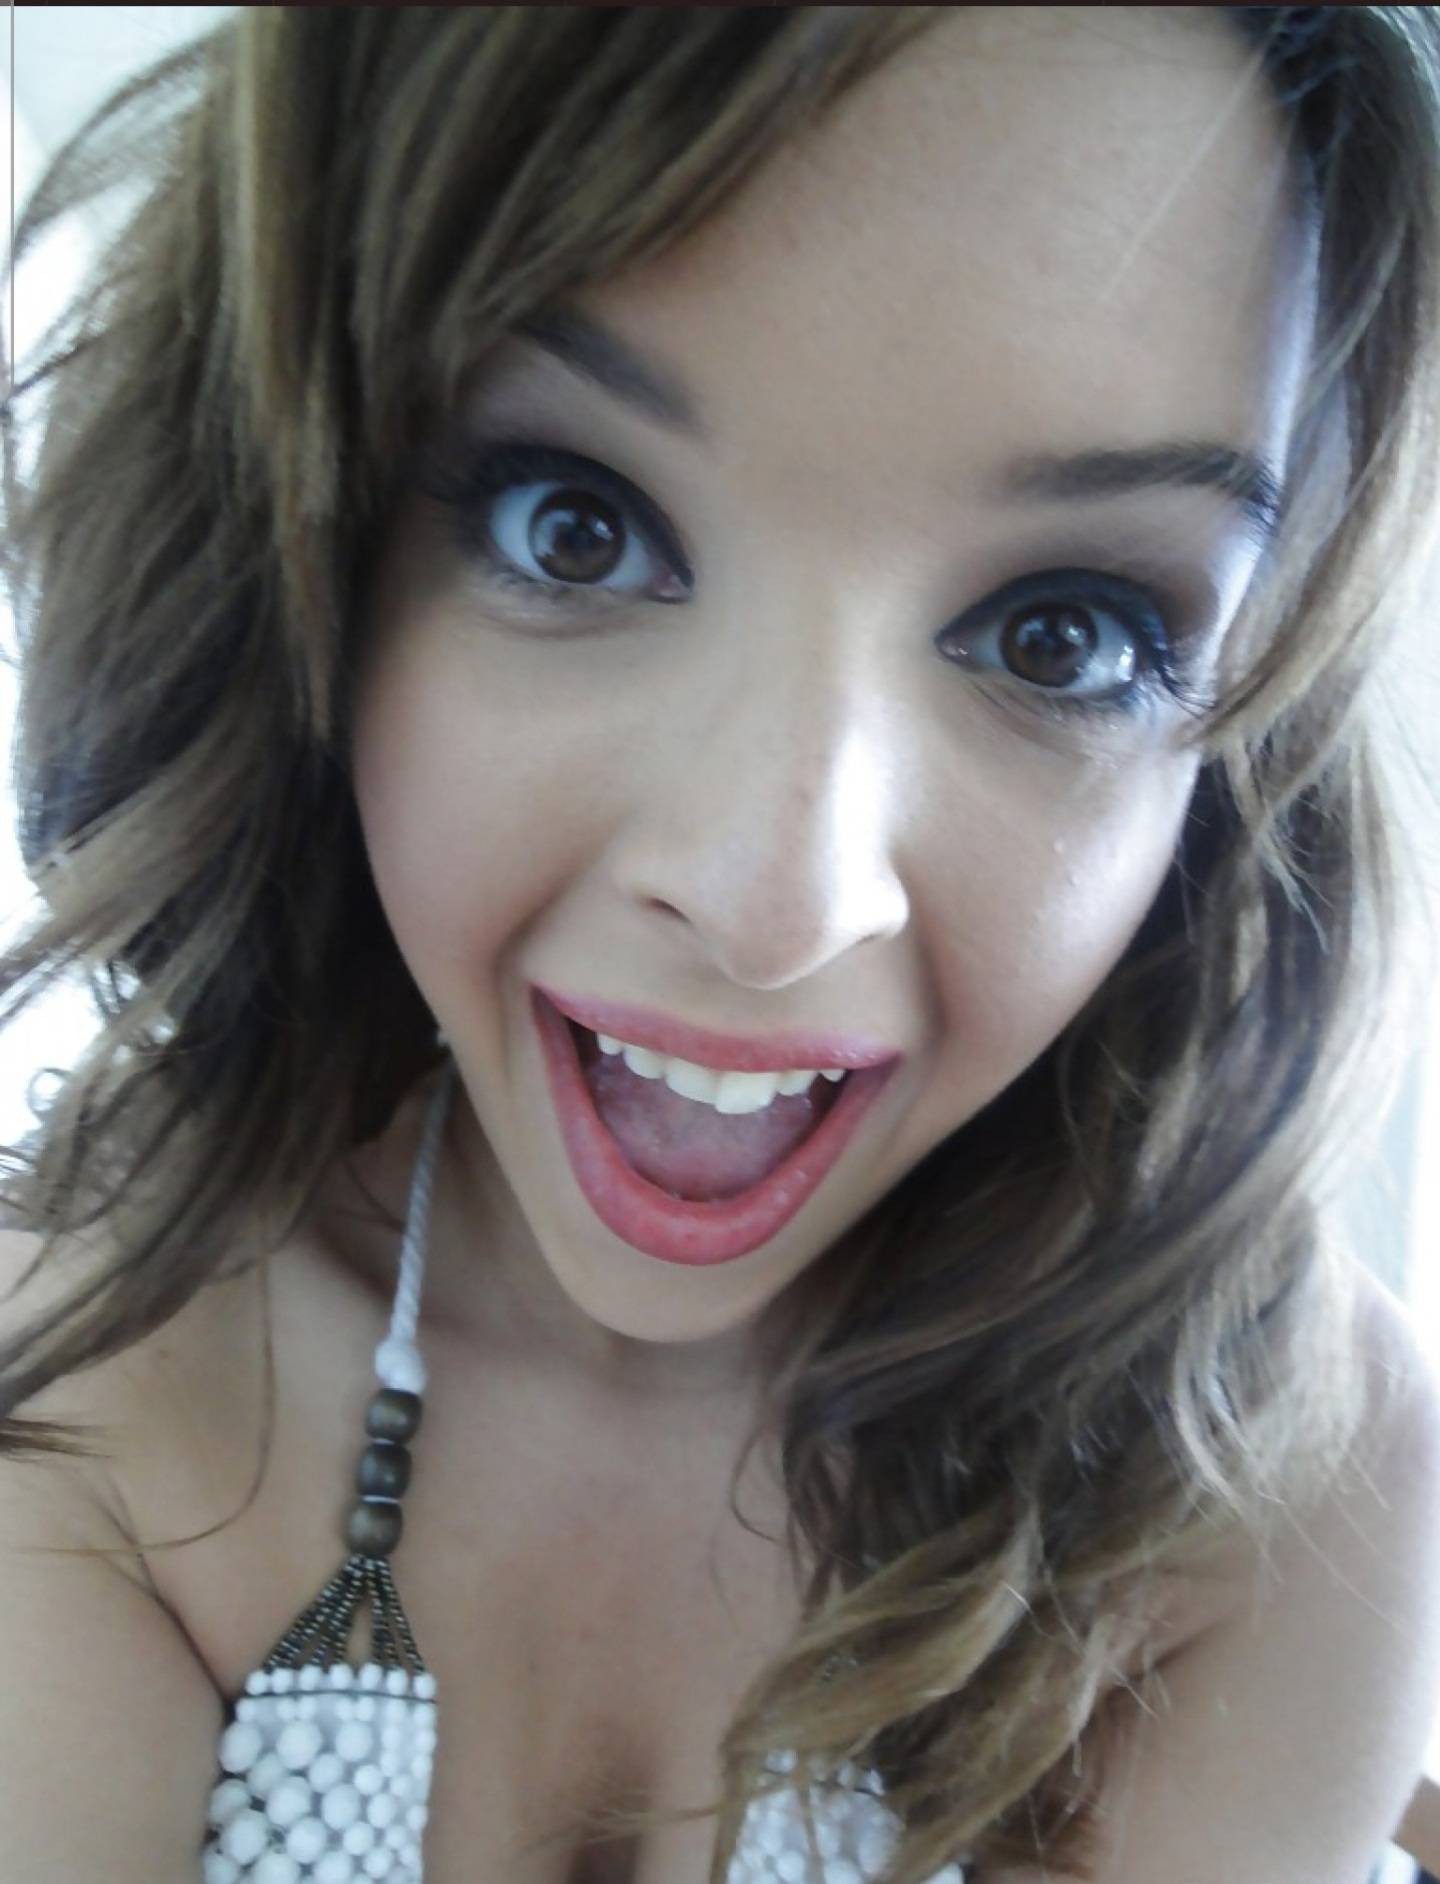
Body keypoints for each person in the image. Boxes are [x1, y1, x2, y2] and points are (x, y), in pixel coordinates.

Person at [1, 7, 1439, 1882]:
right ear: (304, 560)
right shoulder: (99, 1363)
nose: (777, 906)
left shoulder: (1284, 1481)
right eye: (577, 529)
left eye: (1063, 633)